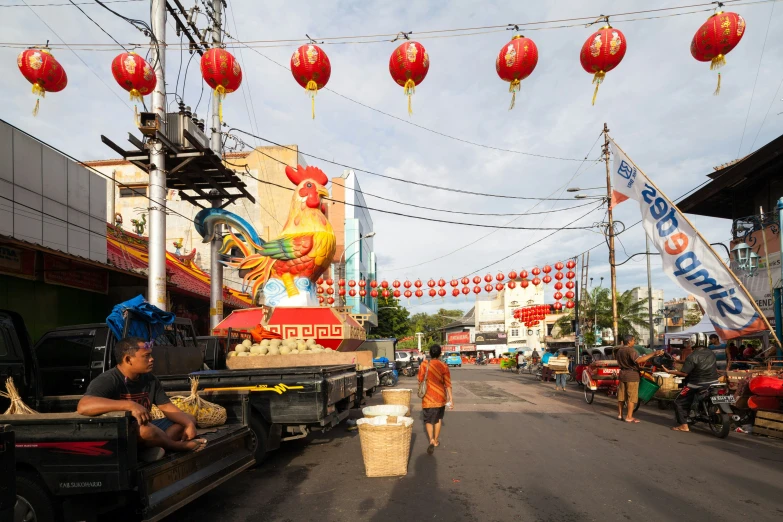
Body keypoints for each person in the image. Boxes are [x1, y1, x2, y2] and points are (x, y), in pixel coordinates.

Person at [77, 337, 206, 460]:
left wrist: (188, 424)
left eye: (151, 355)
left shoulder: (150, 379)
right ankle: (175, 446)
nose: (152, 359)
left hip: (147, 427)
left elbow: (166, 407)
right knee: (146, 431)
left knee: (188, 418)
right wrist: (130, 405)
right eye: (146, 356)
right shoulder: (108, 380)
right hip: (121, 434)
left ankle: (153, 447)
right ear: (128, 360)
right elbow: (84, 406)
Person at [662, 338, 719, 432]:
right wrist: (679, 361)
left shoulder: (692, 356)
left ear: (693, 343)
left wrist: (669, 371)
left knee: (678, 401)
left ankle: (684, 426)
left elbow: (684, 373)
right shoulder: (711, 353)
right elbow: (697, 363)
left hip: (696, 384)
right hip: (714, 382)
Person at [615, 334, 663, 423]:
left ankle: (620, 414)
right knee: (631, 397)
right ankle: (629, 417)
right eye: (633, 340)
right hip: (631, 375)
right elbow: (638, 360)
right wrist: (653, 353)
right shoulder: (631, 350)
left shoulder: (619, 351)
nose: (634, 342)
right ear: (629, 341)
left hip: (622, 374)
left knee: (621, 396)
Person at [418, 344, 453, 455]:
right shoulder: (444, 366)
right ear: (440, 354)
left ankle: (431, 439)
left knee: (428, 419)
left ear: (430, 353)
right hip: (440, 397)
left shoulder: (424, 364)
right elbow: (448, 384)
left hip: (428, 397)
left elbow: (420, 379)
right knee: (438, 419)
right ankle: (436, 440)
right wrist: (451, 399)